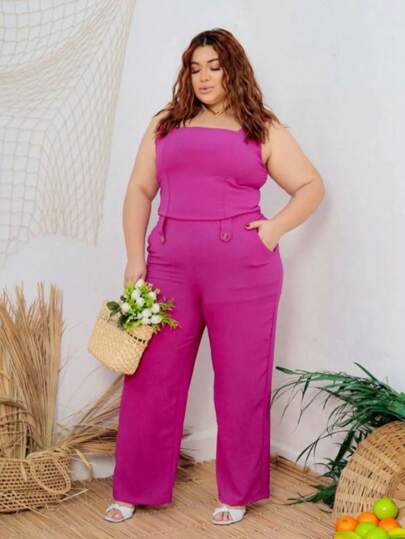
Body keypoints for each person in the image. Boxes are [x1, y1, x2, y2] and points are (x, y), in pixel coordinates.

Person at [104, 28, 325, 526]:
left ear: (233, 70)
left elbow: (311, 185)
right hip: (167, 266)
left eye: (215, 67)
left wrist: (273, 230)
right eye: (195, 68)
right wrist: (134, 258)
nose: (203, 77)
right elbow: (139, 189)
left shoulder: (261, 126)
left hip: (244, 271)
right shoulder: (166, 122)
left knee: (242, 380)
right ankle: (134, 487)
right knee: (150, 378)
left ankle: (238, 491)